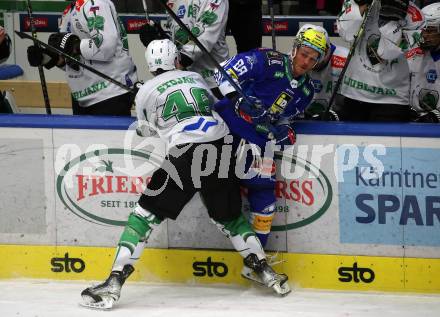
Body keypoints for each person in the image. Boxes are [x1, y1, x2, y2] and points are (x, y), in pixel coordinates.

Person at [80, 39, 290, 310]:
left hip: (187, 152)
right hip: (221, 147)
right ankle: (265, 271)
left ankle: (113, 283)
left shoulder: (145, 92)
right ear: (176, 60)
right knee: (230, 218)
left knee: (144, 216)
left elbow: (146, 130)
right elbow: (213, 107)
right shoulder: (195, 77)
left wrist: (142, 95)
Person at [212, 29, 326, 263]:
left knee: (265, 195)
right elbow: (221, 71)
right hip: (228, 128)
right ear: (294, 48)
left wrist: (284, 129)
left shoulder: (307, 91)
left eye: (313, 58)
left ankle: (256, 258)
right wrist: (238, 99)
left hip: (259, 140)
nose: (306, 62)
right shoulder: (267, 61)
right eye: (304, 54)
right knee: (219, 186)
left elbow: (282, 118)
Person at [26, 0, 137, 116]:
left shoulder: (94, 4)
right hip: (84, 99)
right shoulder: (69, 12)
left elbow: (106, 47)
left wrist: (75, 46)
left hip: (110, 94)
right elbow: (72, 60)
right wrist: (47, 58)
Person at [333, 0, 425, 121]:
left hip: (392, 100)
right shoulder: (353, 1)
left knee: (389, 140)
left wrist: (389, 21)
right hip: (353, 93)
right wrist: (360, 7)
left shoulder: (416, 17)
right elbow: (346, 33)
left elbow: (386, 52)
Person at [139, 0, 229, 98]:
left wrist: (170, 61)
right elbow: (176, 40)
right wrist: (159, 39)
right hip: (183, 81)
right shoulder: (172, 1)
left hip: (214, 81)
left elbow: (202, 40)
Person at [296, 24, 349, 120]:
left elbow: (355, 103)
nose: (307, 62)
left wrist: (337, 115)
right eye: (304, 54)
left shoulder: (346, 60)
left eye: (316, 55)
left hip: (338, 121)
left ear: (328, 50)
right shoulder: (290, 61)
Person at [408, 2, 440, 123]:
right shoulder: (412, 53)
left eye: (431, 31)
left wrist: (435, 116)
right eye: (423, 30)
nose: (424, 36)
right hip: (412, 121)